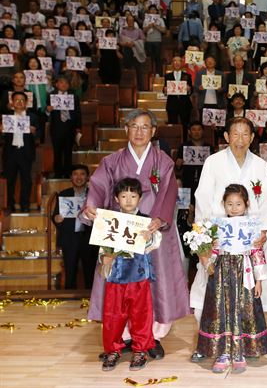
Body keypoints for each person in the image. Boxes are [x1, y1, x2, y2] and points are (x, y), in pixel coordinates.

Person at [81, 109, 190, 360]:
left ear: (153, 132)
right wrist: (92, 207)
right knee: (120, 284)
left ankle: (153, 336)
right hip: (121, 230)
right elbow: (98, 188)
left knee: (155, 282)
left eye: (145, 127)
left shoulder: (163, 161)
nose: (139, 132)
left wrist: (159, 219)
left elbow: (169, 193)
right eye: (134, 126)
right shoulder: (112, 161)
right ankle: (124, 335)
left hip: (152, 232)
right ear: (126, 129)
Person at [191, 117, 267, 338]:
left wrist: (265, 231)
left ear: (252, 138)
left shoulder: (261, 166)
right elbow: (203, 200)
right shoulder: (213, 162)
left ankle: (247, 336)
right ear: (226, 137)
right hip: (220, 240)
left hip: (249, 240)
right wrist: (204, 238)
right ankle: (213, 336)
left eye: (246, 134)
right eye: (235, 134)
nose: (240, 139)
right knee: (212, 287)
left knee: (253, 288)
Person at [195, 184, 267, 374]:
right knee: (220, 310)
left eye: (238, 204)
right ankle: (223, 352)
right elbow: (211, 253)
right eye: (229, 204)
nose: (234, 208)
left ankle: (239, 352)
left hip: (244, 273)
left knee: (242, 309)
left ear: (246, 204)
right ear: (223, 205)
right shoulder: (217, 227)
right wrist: (207, 256)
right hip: (221, 274)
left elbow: (257, 253)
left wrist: (259, 279)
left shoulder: (252, 226)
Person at [99, 178, 162, 372]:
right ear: (116, 199)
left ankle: (140, 350)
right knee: (112, 316)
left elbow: (155, 243)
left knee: (141, 315)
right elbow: (103, 248)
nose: (128, 200)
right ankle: (112, 350)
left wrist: (149, 236)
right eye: (124, 196)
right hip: (116, 277)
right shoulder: (109, 221)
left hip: (139, 276)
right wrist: (105, 259)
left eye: (133, 196)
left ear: (140, 198)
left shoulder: (146, 221)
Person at [51, 164, 98, 289]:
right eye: (75, 174)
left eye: (82, 174)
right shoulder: (63, 194)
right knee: (70, 271)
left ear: (88, 177)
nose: (79, 177)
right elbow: (55, 216)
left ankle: (90, 302)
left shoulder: (94, 195)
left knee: (90, 271)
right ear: (71, 177)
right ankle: (68, 299)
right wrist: (56, 219)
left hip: (89, 238)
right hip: (70, 239)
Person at [1, 91, 38, 212]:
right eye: (16, 100)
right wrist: (1, 132)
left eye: (22, 100)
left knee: (26, 180)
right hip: (10, 152)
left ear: (26, 103)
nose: (19, 102)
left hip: (25, 152)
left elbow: (40, 136)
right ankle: (9, 205)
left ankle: (25, 205)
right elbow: (2, 139)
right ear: (12, 102)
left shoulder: (32, 117)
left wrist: (34, 132)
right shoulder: (6, 117)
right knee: (9, 181)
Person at [47, 76, 82, 178]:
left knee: (68, 151)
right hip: (56, 127)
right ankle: (58, 173)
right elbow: (46, 113)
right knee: (57, 152)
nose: (64, 85)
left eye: (66, 83)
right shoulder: (51, 95)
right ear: (56, 84)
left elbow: (78, 113)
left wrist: (78, 127)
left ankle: (67, 173)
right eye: (61, 82)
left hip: (69, 127)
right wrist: (48, 110)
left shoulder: (73, 96)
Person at [164, 56, 193, 141]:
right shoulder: (168, 75)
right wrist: (164, 89)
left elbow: (192, 90)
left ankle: (184, 142)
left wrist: (189, 89)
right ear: (172, 63)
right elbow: (165, 89)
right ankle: (173, 142)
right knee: (172, 125)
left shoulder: (187, 75)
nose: (176, 63)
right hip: (172, 104)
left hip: (185, 104)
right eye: (174, 61)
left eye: (178, 61)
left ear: (182, 63)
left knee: (185, 125)